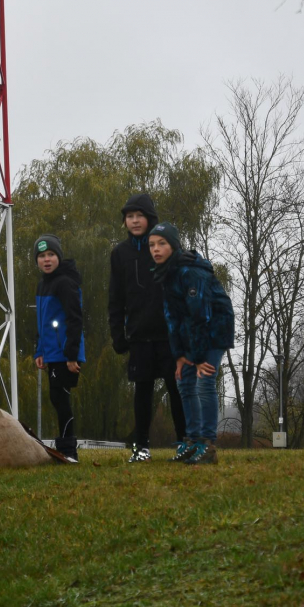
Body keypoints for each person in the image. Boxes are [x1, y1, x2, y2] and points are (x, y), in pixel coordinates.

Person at [108, 194, 187, 463]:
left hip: (169, 335)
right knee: (142, 393)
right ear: (125, 221)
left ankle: (184, 443)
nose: (135, 220)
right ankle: (141, 447)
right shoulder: (119, 254)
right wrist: (118, 334)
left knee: (177, 391)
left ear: (150, 218)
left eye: (139, 215)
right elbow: (115, 299)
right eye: (129, 216)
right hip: (139, 336)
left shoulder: (163, 247)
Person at [148, 222, 235, 465]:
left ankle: (207, 446)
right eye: (152, 245)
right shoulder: (166, 273)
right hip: (192, 333)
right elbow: (172, 318)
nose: (156, 249)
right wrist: (179, 356)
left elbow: (201, 316)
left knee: (204, 380)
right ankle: (192, 441)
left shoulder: (190, 271)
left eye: (162, 243)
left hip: (214, 329)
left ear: (174, 246)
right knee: (184, 383)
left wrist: (197, 359)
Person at [33, 234, 85, 463]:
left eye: (51, 255)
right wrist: (39, 350)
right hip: (51, 353)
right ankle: (63, 447)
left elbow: (75, 319)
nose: (46, 260)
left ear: (59, 257)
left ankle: (68, 450)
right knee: (56, 398)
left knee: (61, 398)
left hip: (65, 353)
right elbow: (42, 321)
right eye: (42, 256)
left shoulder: (65, 283)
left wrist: (71, 355)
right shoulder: (43, 284)